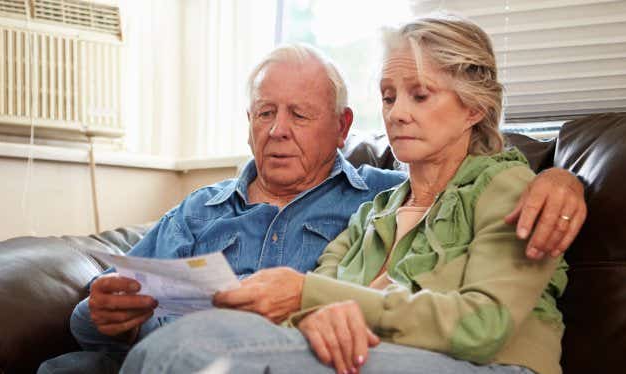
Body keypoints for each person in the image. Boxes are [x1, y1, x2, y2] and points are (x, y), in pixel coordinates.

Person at [38, 25, 585, 373]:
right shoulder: (378, 210)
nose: (396, 113)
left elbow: (479, 323)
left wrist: (564, 178)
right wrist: (101, 311)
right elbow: (326, 303)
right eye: (389, 97)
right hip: (336, 355)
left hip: (473, 361)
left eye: (419, 95)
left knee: (194, 349)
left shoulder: (476, 188)